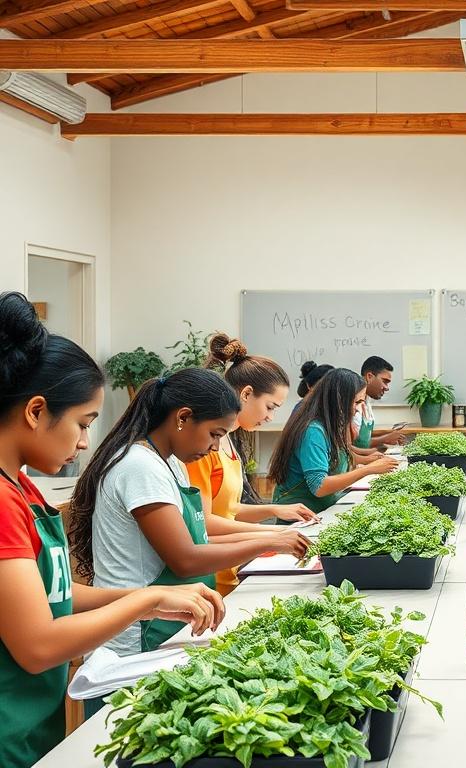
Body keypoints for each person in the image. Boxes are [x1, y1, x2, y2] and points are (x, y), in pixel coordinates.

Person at [0, 293, 224, 766]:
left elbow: (53, 595)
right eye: (83, 424)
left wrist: (155, 599)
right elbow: (38, 645)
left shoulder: (23, 489)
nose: (85, 443)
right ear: (36, 412)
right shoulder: (3, 501)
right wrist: (143, 599)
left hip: (32, 728)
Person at [68, 368, 308, 656]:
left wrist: (275, 538)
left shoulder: (172, 465)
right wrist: (269, 541)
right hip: (136, 635)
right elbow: (185, 558)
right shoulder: (140, 466)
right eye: (213, 434)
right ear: (182, 418)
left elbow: (197, 542)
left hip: (167, 621)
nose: (215, 447)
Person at [187, 334, 316, 595]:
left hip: (231, 569)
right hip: (211, 579)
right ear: (246, 394)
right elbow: (204, 522)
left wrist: (277, 510)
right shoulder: (204, 448)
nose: (270, 417)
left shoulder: (229, 441)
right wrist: (270, 534)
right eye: (270, 406)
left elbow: (228, 508)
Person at [268, 368, 398, 514]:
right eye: (357, 402)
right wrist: (368, 470)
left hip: (322, 511)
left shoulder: (331, 425)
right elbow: (319, 486)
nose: (358, 409)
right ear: (339, 400)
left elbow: (341, 456)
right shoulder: (313, 431)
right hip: (299, 519)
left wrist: (370, 460)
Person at [354, 356, 405, 450]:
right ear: (369, 377)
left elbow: (363, 438)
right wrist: (384, 439)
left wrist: (387, 436)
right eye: (385, 381)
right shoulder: (353, 405)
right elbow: (352, 444)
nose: (387, 388)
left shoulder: (367, 402)